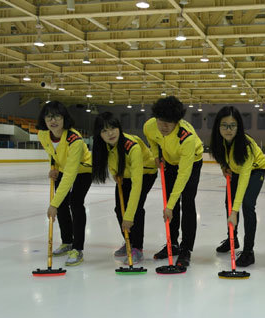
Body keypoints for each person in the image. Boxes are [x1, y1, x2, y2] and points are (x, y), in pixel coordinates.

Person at [143, 96, 203, 267]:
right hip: (169, 160)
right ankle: (172, 244)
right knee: (171, 202)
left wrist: (168, 207)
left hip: (191, 162)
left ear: (177, 121)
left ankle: (186, 249)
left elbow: (183, 174)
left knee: (187, 201)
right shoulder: (150, 125)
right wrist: (156, 154)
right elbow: (152, 139)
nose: (163, 127)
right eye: (161, 121)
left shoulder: (187, 138)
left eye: (169, 123)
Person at [91, 112, 157, 264]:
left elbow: (137, 184)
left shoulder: (131, 146)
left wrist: (129, 217)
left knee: (135, 209)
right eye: (104, 130)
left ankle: (137, 248)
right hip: (124, 174)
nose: (110, 133)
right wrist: (115, 173)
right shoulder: (103, 145)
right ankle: (129, 241)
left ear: (119, 128)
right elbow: (113, 160)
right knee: (119, 209)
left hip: (145, 172)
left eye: (113, 128)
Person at [36, 101, 92, 266]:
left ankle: (78, 248)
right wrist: (53, 167)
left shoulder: (75, 139)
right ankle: (67, 241)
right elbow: (52, 152)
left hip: (83, 169)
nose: (53, 121)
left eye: (57, 116)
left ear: (64, 118)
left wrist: (52, 203)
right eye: (49, 117)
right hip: (63, 168)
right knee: (61, 206)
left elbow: (70, 174)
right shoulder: (42, 134)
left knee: (75, 203)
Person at [209, 106, 265, 267]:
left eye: (232, 125)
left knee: (247, 204)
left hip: (255, 170)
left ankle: (249, 251)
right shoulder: (218, 141)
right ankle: (232, 239)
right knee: (228, 202)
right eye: (224, 125)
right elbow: (222, 156)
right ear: (218, 127)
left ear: (239, 126)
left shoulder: (246, 146)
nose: (228, 129)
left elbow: (244, 180)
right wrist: (224, 167)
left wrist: (235, 212)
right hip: (235, 170)